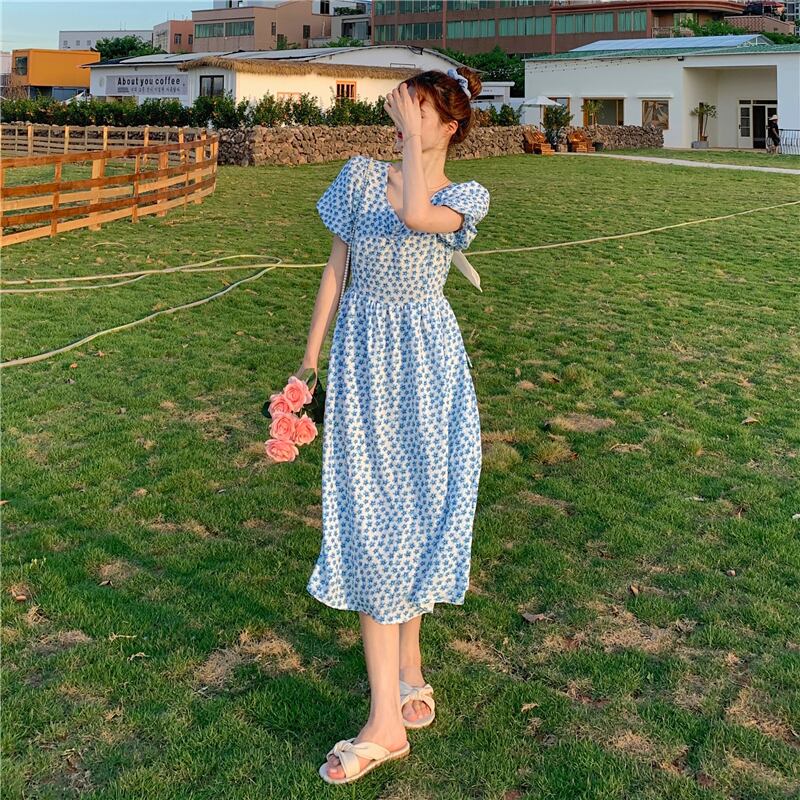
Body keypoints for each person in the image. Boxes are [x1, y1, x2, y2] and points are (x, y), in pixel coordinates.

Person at [297, 67, 490, 785]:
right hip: (363, 363)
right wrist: (308, 362)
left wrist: (411, 142)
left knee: (417, 513)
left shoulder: (466, 197)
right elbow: (336, 271)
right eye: (406, 109)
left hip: (428, 371)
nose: (409, 120)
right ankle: (388, 715)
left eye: (424, 112)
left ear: (451, 127)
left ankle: (407, 668)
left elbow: (415, 214)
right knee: (373, 518)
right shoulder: (356, 178)